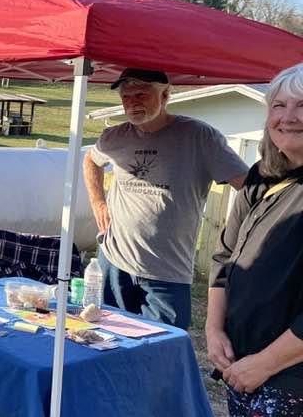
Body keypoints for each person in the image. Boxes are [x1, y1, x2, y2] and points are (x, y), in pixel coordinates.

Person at [206, 63, 303, 417]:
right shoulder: (261, 176)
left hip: (289, 370)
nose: (289, 116)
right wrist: (212, 327)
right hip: (240, 358)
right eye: (279, 105)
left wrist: (266, 363)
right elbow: (224, 256)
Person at [83, 68, 247, 328]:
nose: (132, 102)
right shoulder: (114, 137)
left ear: (166, 95)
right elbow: (91, 159)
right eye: (126, 97)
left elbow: (248, 187)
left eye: (141, 94)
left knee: (162, 351)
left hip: (167, 271)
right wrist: (98, 202)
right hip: (114, 261)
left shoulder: (200, 136)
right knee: (107, 340)